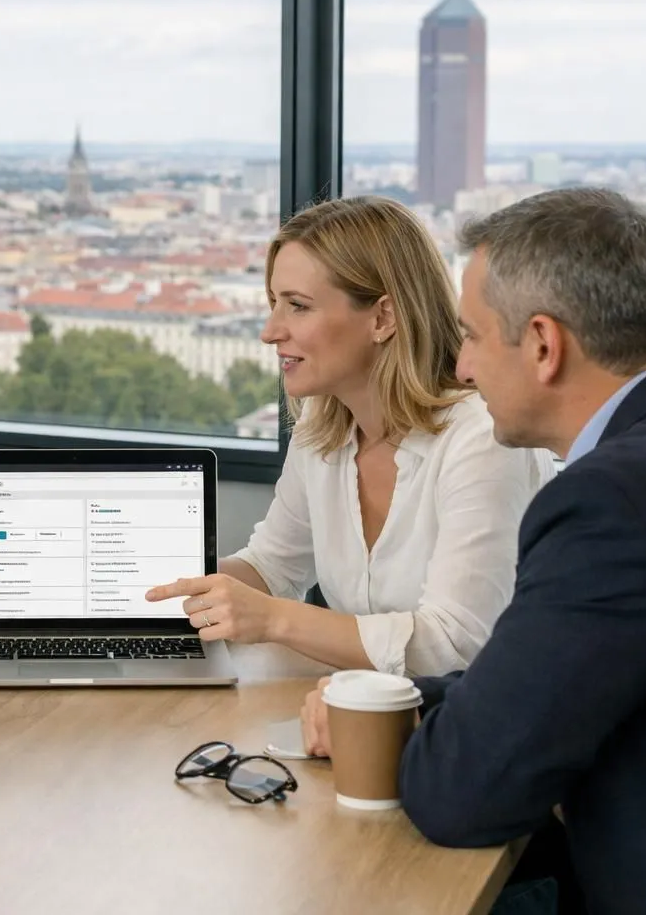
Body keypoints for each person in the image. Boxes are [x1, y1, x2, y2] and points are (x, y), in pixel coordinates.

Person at [305, 188, 646, 913]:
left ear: (543, 344)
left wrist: (394, 731)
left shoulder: (618, 501)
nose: (464, 369)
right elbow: (553, 685)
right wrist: (410, 704)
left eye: (470, 336)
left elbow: (460, 798)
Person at [147, 197, 552, 675]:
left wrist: (273, 619)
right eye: (273, 304)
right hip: (356, 714)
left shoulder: (481, 439)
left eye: (297, 306)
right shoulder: (324, 424)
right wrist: (152, 588)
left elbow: (452, 645)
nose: (270, 331)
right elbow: (273, 567)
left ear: (383, 318)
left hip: (470, 728)